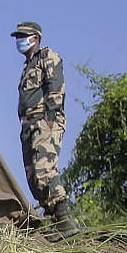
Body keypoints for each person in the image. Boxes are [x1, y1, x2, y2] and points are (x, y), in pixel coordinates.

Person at [11, 21, 78, 236]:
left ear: (36, 38)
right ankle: (55, 221)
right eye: (18, 36)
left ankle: (66, 220)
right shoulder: (27, 66)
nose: (20, 40)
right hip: (28, 125)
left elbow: (55, 85)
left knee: (44, 170)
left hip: (44, 121)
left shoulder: (46, 56)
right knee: (33, 178)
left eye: (24, 36)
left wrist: (50, 116)